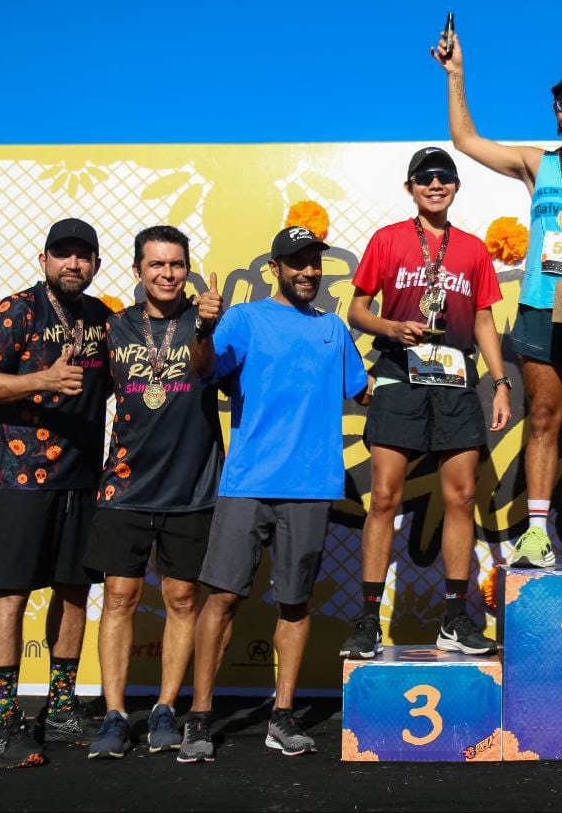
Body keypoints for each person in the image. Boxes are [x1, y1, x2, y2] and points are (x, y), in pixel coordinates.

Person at [433, 29, 562, 569]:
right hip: (540, 305)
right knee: (545, 417)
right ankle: (535, 534)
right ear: (556, 111)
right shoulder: (536, 163)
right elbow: (465, 140)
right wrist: (456, 75)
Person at [177, 226, 368, 763]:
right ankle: (200, 717)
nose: (308, 271)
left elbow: (366, 392)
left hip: (311, 488)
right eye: (296, 262)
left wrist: (431, 369)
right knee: (222, 598)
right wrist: (202, 329)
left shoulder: (333, 328)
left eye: (314, 262)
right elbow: (204, 369)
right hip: (248, 483)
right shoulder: (244, 318)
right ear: (275, 268)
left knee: (295, 602)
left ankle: (282, 716)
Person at [339, 147, 512, 660]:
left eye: (444, 178)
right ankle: (368, 620)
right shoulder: (388, 239)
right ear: (410, 187)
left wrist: (501, 382)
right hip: (399, 373)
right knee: (384, 497)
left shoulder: (473, 249)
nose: (435, 185)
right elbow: (357, 310)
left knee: (461, 497)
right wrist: (392, 328)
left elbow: (484, 321)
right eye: (425, 178)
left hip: (456, 379)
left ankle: (454, 620)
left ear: (456, 186)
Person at [0, 218, 111, 768]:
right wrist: (41, 380)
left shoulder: (102, 318)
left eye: (83, 255)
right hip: (20, 480)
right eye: (63, 254)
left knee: (74, 593)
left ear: (95, 264)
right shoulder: (17, 310)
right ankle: (5, 722)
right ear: (44, 260)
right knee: (12, 595)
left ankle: (61, 708)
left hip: (83, 479)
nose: (73, 263)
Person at [82, 226, 225, 759]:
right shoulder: (114, 326)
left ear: (188, 268)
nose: (167, 273)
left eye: (177, 264)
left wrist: (207, 329)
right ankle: (115, 714)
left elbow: (209, 372)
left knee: (182, 600)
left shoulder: (207, 321)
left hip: (192, 486)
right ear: (138, 270)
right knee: (119, 598)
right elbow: (87, 394)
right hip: (125, 485)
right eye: (157, 264)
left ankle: (166, 708)